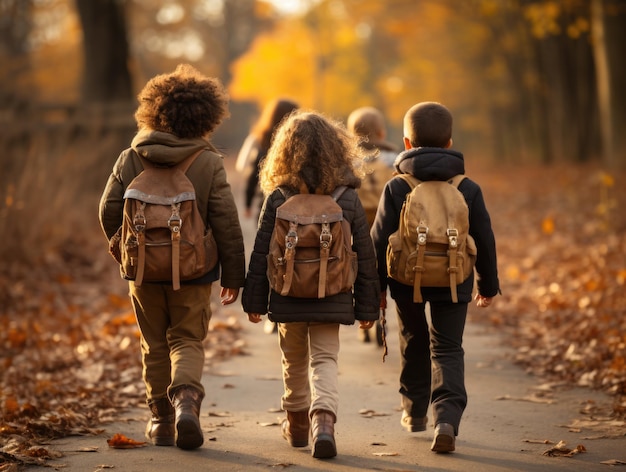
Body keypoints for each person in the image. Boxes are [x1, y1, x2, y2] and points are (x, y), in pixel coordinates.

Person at [98, 64, 246, 450]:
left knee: (154, 343)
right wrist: (234, 274)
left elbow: (108, 210)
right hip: (195, 270)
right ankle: (185, 403)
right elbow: (226, 221)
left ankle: (161, 421)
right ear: (205, 116)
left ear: (152, 110)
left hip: (143, 271)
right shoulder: (208, 162)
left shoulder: (131, 156)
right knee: (187, 339)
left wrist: (124, 250)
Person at [241, 110, 380, 459]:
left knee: (294, 360)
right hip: (332, 294)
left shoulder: (278, 196)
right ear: (337, 149)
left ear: (284, 152)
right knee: (325, 358)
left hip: (287, 295)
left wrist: (255, 302)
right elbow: (364, 255)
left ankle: (297, 424)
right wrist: (368, 307)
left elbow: (261, 252)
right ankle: (324, 422)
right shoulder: (346, 197)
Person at [370, 101, 500, 453]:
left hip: (404, 280)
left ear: (406, 143)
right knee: (447, 348)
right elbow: (485, 239)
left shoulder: (398, 187)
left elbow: (378, 240)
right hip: (455, 279)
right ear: (449, 143)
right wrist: (488, 285)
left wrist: (376, 290)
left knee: (413, 339)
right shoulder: (467, 186)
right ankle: (446, 418)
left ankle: (414, 413)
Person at [346, 106, 398, 345]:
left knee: (360, 271)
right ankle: (381, 317)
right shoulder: (392, 159)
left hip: (355, 224)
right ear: (381, 132)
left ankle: (364, 319)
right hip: (385, 222)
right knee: (381, 272)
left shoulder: (348, 159)